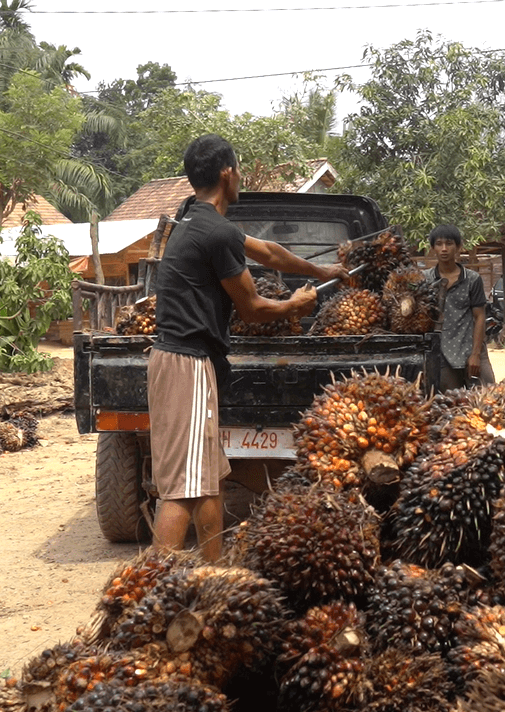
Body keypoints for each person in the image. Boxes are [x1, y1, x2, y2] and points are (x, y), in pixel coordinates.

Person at [148, 133, 348, 562]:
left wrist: (322, 268)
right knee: (182, 489)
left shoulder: (195, 219)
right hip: (188, 364)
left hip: (178, 359)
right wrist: (295, 304)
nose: (239, 175)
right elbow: (254, 309)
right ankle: (152, 589)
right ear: (227, 172)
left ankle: (214, 570)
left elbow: (270, 254)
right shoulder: (214, 232)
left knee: (209, 477)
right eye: (237, 168)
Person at [425, 224, 495, 391]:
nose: (444, 249)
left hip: (471, 347)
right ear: (432, 248)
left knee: (489, 396)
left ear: (458, 247)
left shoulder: (472, 279)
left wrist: (476, 354)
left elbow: (479, 317)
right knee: (450, 403)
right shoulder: (425, 280)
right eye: (439, 244)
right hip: (442, 352)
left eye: (449, 244)